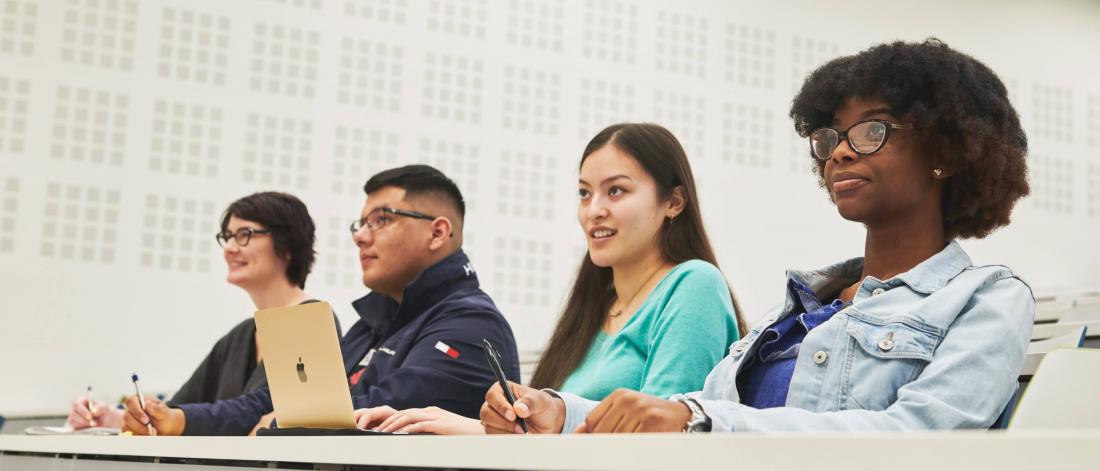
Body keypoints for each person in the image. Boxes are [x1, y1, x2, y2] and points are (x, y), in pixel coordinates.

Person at [481, 38, 1035, 434]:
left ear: (946, 151)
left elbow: (916, 432)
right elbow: (691, 407)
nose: (839, 150)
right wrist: (560, 412)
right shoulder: (796, 307)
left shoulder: (986, 299)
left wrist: (697, 419)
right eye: (830, 135)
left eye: (872, 130)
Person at [356, 123, 744, 434]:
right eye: (584, 193)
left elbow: (663, 433)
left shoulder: (694, 285)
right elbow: (552, 437)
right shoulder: (594, 306)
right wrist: (471, 429)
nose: (594, 210)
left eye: (616, 191)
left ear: (673, 202)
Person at [120, 165, 520, 435]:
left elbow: (383, 412)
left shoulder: (472, 325)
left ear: (437, 233)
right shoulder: (372, 323)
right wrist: (179, 419)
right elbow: (279, 399)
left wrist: (276, 424)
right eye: (361, 224)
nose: (362, 236)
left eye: (382, 219)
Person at [67, 192, 330, 431]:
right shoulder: (241, 335)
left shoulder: (311, 320)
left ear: (287, 245)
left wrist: (172, 419)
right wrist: (110, 417)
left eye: (244, 235)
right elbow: (178, 406)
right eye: (227, 237)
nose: (229, 248)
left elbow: (253, 410)